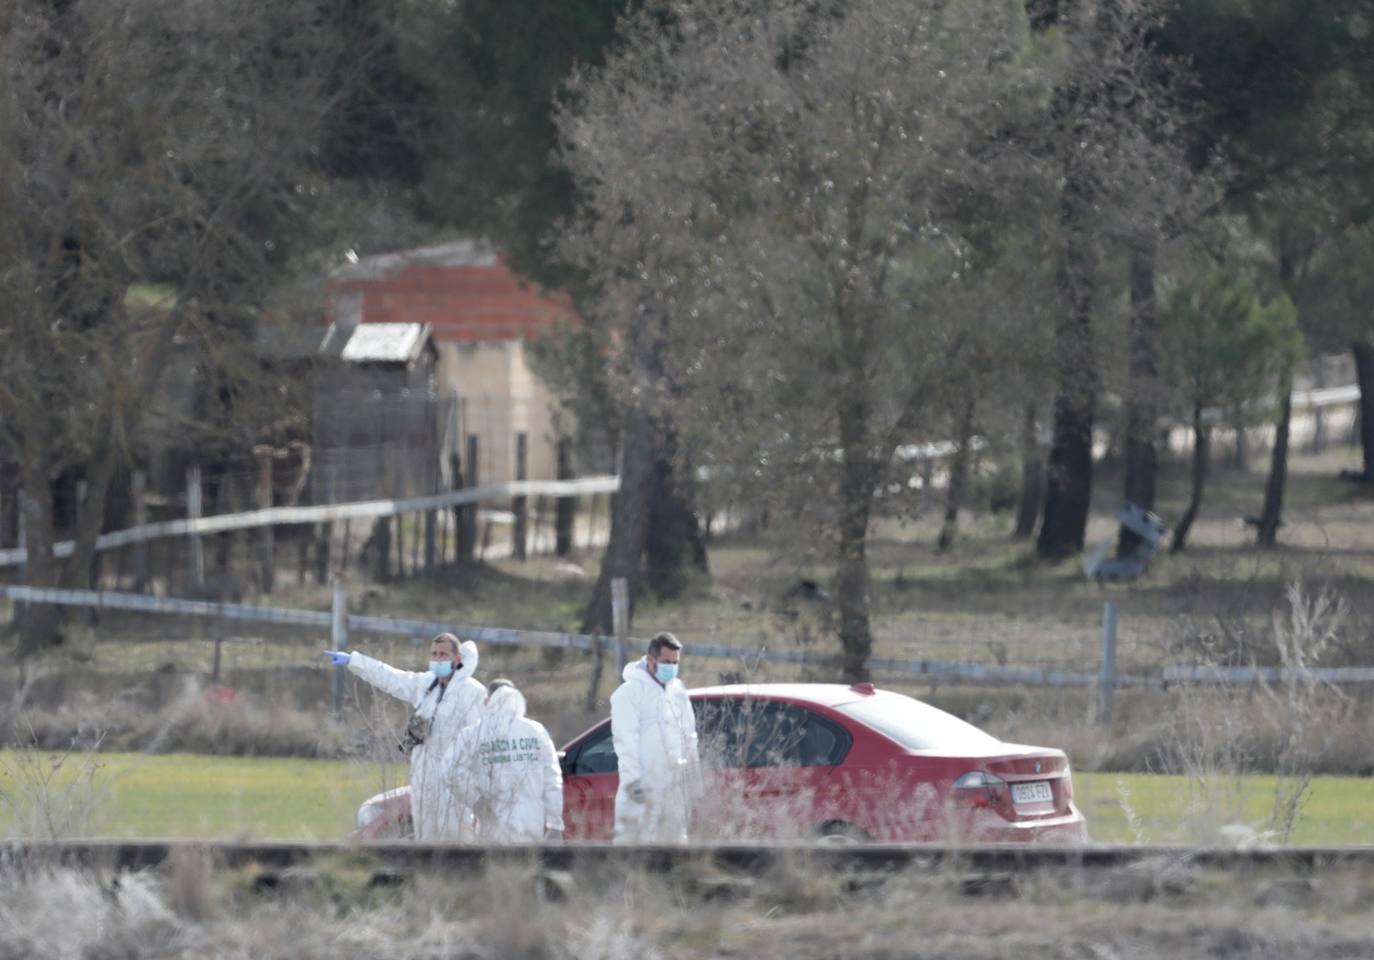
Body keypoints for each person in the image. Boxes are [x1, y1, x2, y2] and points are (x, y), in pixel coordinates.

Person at [324, 633, 485, 841]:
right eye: (434, 654)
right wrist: (354, 661)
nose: (437, 659)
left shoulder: (473, 692)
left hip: (454, 785)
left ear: (457, 659)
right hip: (423, 780)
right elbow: (390, 678)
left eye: (443, 654)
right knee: (426, 842)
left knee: (458, 840)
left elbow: (478, 739)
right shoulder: (427, 685)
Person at [444, 678, 564, 843]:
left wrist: (476, 800)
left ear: (488, 700)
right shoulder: (535, 731)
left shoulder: (474, 734)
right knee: (526, 866)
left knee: (493, 866)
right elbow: (552, 780)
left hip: (491, 819)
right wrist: (556, 824)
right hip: (531, 820)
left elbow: (449, 770)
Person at [609, 632, 699, 843]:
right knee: (635, 848)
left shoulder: (677, 692)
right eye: (666, 662)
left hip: (673, 786)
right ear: (651, 660)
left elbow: (689, 736)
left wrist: (695, 779)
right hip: (643, 786)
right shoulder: (629, 693)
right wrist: (634, 783)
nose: (671, 667)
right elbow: (626, 743)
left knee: (674, 847)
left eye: (675, 663)